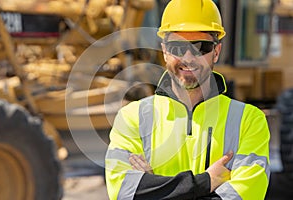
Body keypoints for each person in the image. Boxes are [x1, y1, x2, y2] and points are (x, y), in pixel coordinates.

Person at [105, 0, 270, 199]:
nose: (188, 57)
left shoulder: (249, 121)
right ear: (165, 51)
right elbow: (124, 192)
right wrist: (206, 182)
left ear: (216, 52)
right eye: (177, 47)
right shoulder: (132, 118)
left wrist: (156, 187)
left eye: (201, 47)